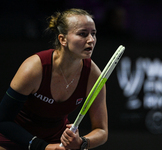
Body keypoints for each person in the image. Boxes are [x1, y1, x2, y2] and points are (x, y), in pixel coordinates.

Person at [0, 8, 108, 150]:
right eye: (83, 34)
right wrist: (44, 147)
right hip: (17, 138)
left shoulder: (93, 76)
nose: (91, 40)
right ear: (62, 39)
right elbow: (3, 121)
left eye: (93, 34)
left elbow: (101, 130)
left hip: (57, 141)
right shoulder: (34, 69)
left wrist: (82, 142)